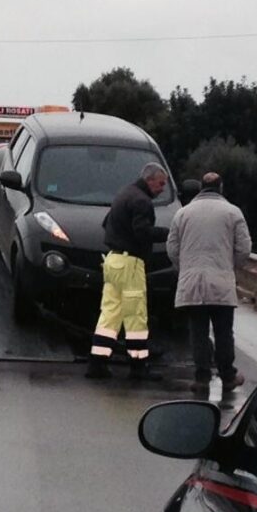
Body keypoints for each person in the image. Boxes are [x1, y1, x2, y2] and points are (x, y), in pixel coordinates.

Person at [166, 172, 252, 393]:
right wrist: (230, 266)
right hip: (221, 281)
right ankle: (227, 375)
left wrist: (184, 267)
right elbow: (244, 249)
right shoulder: (233, 212)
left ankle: (202, 377)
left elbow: (172, 249)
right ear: (220, 188)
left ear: (201, 188)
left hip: (192, 282)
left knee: (198, 332)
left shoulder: (182, 214)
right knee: (224, 332)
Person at [86, 162, 170, 381]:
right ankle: (138, 366)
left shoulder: (123, 194)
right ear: (149, 180)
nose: (162, 188)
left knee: (110, 314)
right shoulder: (142, 202)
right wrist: (169, 234)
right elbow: (142, 232)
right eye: (161, 183)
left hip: (112, 260)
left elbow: (107, 224)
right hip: (130, 263)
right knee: (136, 316)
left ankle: (97, 363)